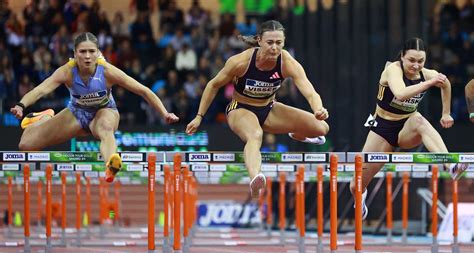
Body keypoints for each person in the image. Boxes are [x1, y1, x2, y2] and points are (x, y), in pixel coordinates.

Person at [185, 20, 329, 197]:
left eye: (279, 43)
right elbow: (213, 85)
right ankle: (255, 179)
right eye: (270, 43)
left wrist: (319, 109)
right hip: (240, 109)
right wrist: (199, 116)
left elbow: (310, 92)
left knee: (322, 128)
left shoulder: (287, 63)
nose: (274, 48)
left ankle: (297, 133)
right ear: (259, 40)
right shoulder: (240, 62)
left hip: (268, 109)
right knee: (255, 135)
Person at [10, 32, 178, 183]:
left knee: (105, 128)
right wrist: (21, 105)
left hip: (104, 111)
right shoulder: (66, 72)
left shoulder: (107, 72)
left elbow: (143, 90)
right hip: (76, 113)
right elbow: (41, 89)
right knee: (26, 145)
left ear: (98, 53)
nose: (87, 56)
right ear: (75, 54)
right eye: (82, 52)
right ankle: (45, 117)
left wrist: (164, 113)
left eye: (91, 51)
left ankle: (111, 164)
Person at [351, 37, 468, 220]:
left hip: (406, 126)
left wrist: (446, 113)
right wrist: (429, 83)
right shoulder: (393, 70)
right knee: (356, 184)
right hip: (382, 127)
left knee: (420, 120)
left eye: (421, 61)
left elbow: (445, 84)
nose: (416, 65)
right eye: (411, 60)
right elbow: (400, 93)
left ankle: (450, 165)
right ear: (402, 57)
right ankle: (360, 196)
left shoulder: (426, 73)